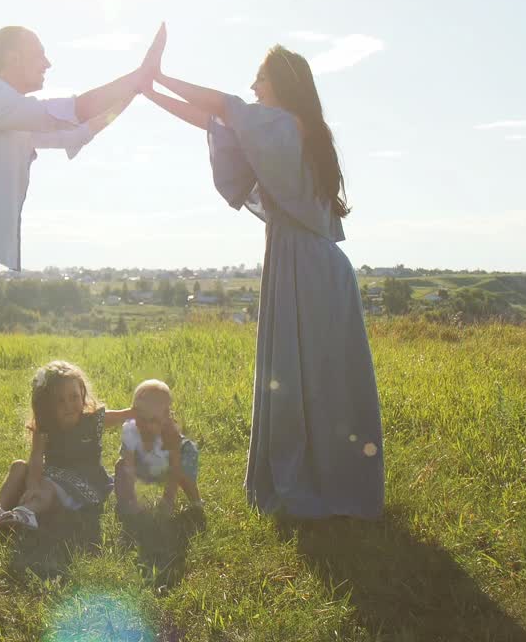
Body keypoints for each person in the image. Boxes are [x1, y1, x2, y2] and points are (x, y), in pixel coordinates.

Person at [0, 25, 162, 520]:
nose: (47, 64)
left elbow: (81, 127)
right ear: (11, 57)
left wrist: (134, 93)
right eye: (39, 55)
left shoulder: (17, 118)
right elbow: (75, 107)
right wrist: (136, 75)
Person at [141, 26, 384, 519]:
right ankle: (326, 476)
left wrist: (159, 75)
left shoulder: (285, 125)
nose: (254, 87)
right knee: (313, 377)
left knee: (310, 378)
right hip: (307, 263)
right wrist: (149, 92)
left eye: (261, 79)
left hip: (307, 266)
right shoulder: (287, 128)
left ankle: (322, 482)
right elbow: (213, 119)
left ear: (282, 83)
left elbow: (223, 106)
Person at [0, 361, 134, 530]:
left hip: (84, 482)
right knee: (18, 466)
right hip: (52, 475)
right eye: (60, 401)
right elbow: (36, 457)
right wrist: (33, 485)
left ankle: (26, 513)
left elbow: (124, 415)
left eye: (74, 397)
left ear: (82, 393)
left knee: (47, 487)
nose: (68, 406)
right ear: (48, 404)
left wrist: (144, 410)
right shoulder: (45, 426)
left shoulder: (92, 420)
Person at [114, 379, 202, 516]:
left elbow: (175, 468)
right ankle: (126, 502)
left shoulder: (170, 434)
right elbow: (129, 462)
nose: (145, 425)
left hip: (171, 464)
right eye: (140, 417)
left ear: (165, 417)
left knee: (184, 475)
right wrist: (130, 493)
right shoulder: (131, 429)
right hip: (145, 463)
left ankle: (196, 502)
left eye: (152, 420)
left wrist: (168, 499)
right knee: (121, 466)